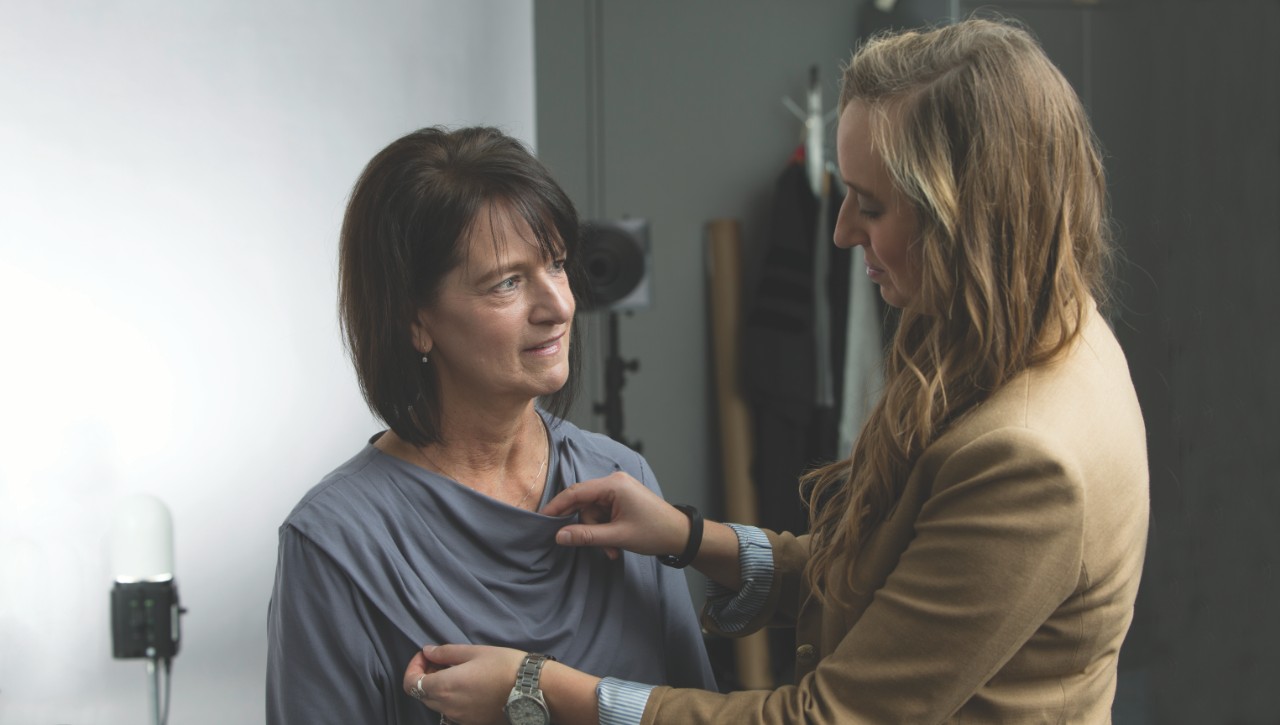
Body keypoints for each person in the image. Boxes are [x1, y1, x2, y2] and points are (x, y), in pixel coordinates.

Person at [401, 18, 1149, 725]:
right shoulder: (1031, 327)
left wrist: (541, 686)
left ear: (968, 217)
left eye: (871, 205)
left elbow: (825, 716)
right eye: (505, 280)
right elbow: (889, 575)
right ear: (416, 319)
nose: (841, 229)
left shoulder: (1027, 457)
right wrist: (693, 540)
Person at [266, 126, 717, 724]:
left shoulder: (620, 479)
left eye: (556, 265)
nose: (558, 306)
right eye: (506, 282)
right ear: (414, 320)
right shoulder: (335, 544)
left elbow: (698, 711)